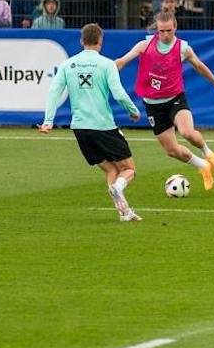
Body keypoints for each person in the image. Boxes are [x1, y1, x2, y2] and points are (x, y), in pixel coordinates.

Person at [38, 23, 144, 222]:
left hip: (80, 129)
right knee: (129, 170)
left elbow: (54, 92)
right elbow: (119, 93)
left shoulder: (68, 64)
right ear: (101, 41)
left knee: (112, 170)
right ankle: (118, 188)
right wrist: (133, 111)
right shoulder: (106, 64)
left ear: (81, 41)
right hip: (103, 126)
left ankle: (124, 213)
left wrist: (48, 121)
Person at [114, 11, 214, 190]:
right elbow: (122, 61)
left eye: (169, 30)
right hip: (153, 105)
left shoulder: (183, 48)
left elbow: (199, 66)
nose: (166, 35)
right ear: (156, 30)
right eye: (162, 31)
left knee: (187, 132)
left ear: (175, 27)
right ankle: (203, 166)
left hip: (175, 98)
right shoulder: (144, 45)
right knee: (171, 150)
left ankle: (209, 153)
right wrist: (110, 67)